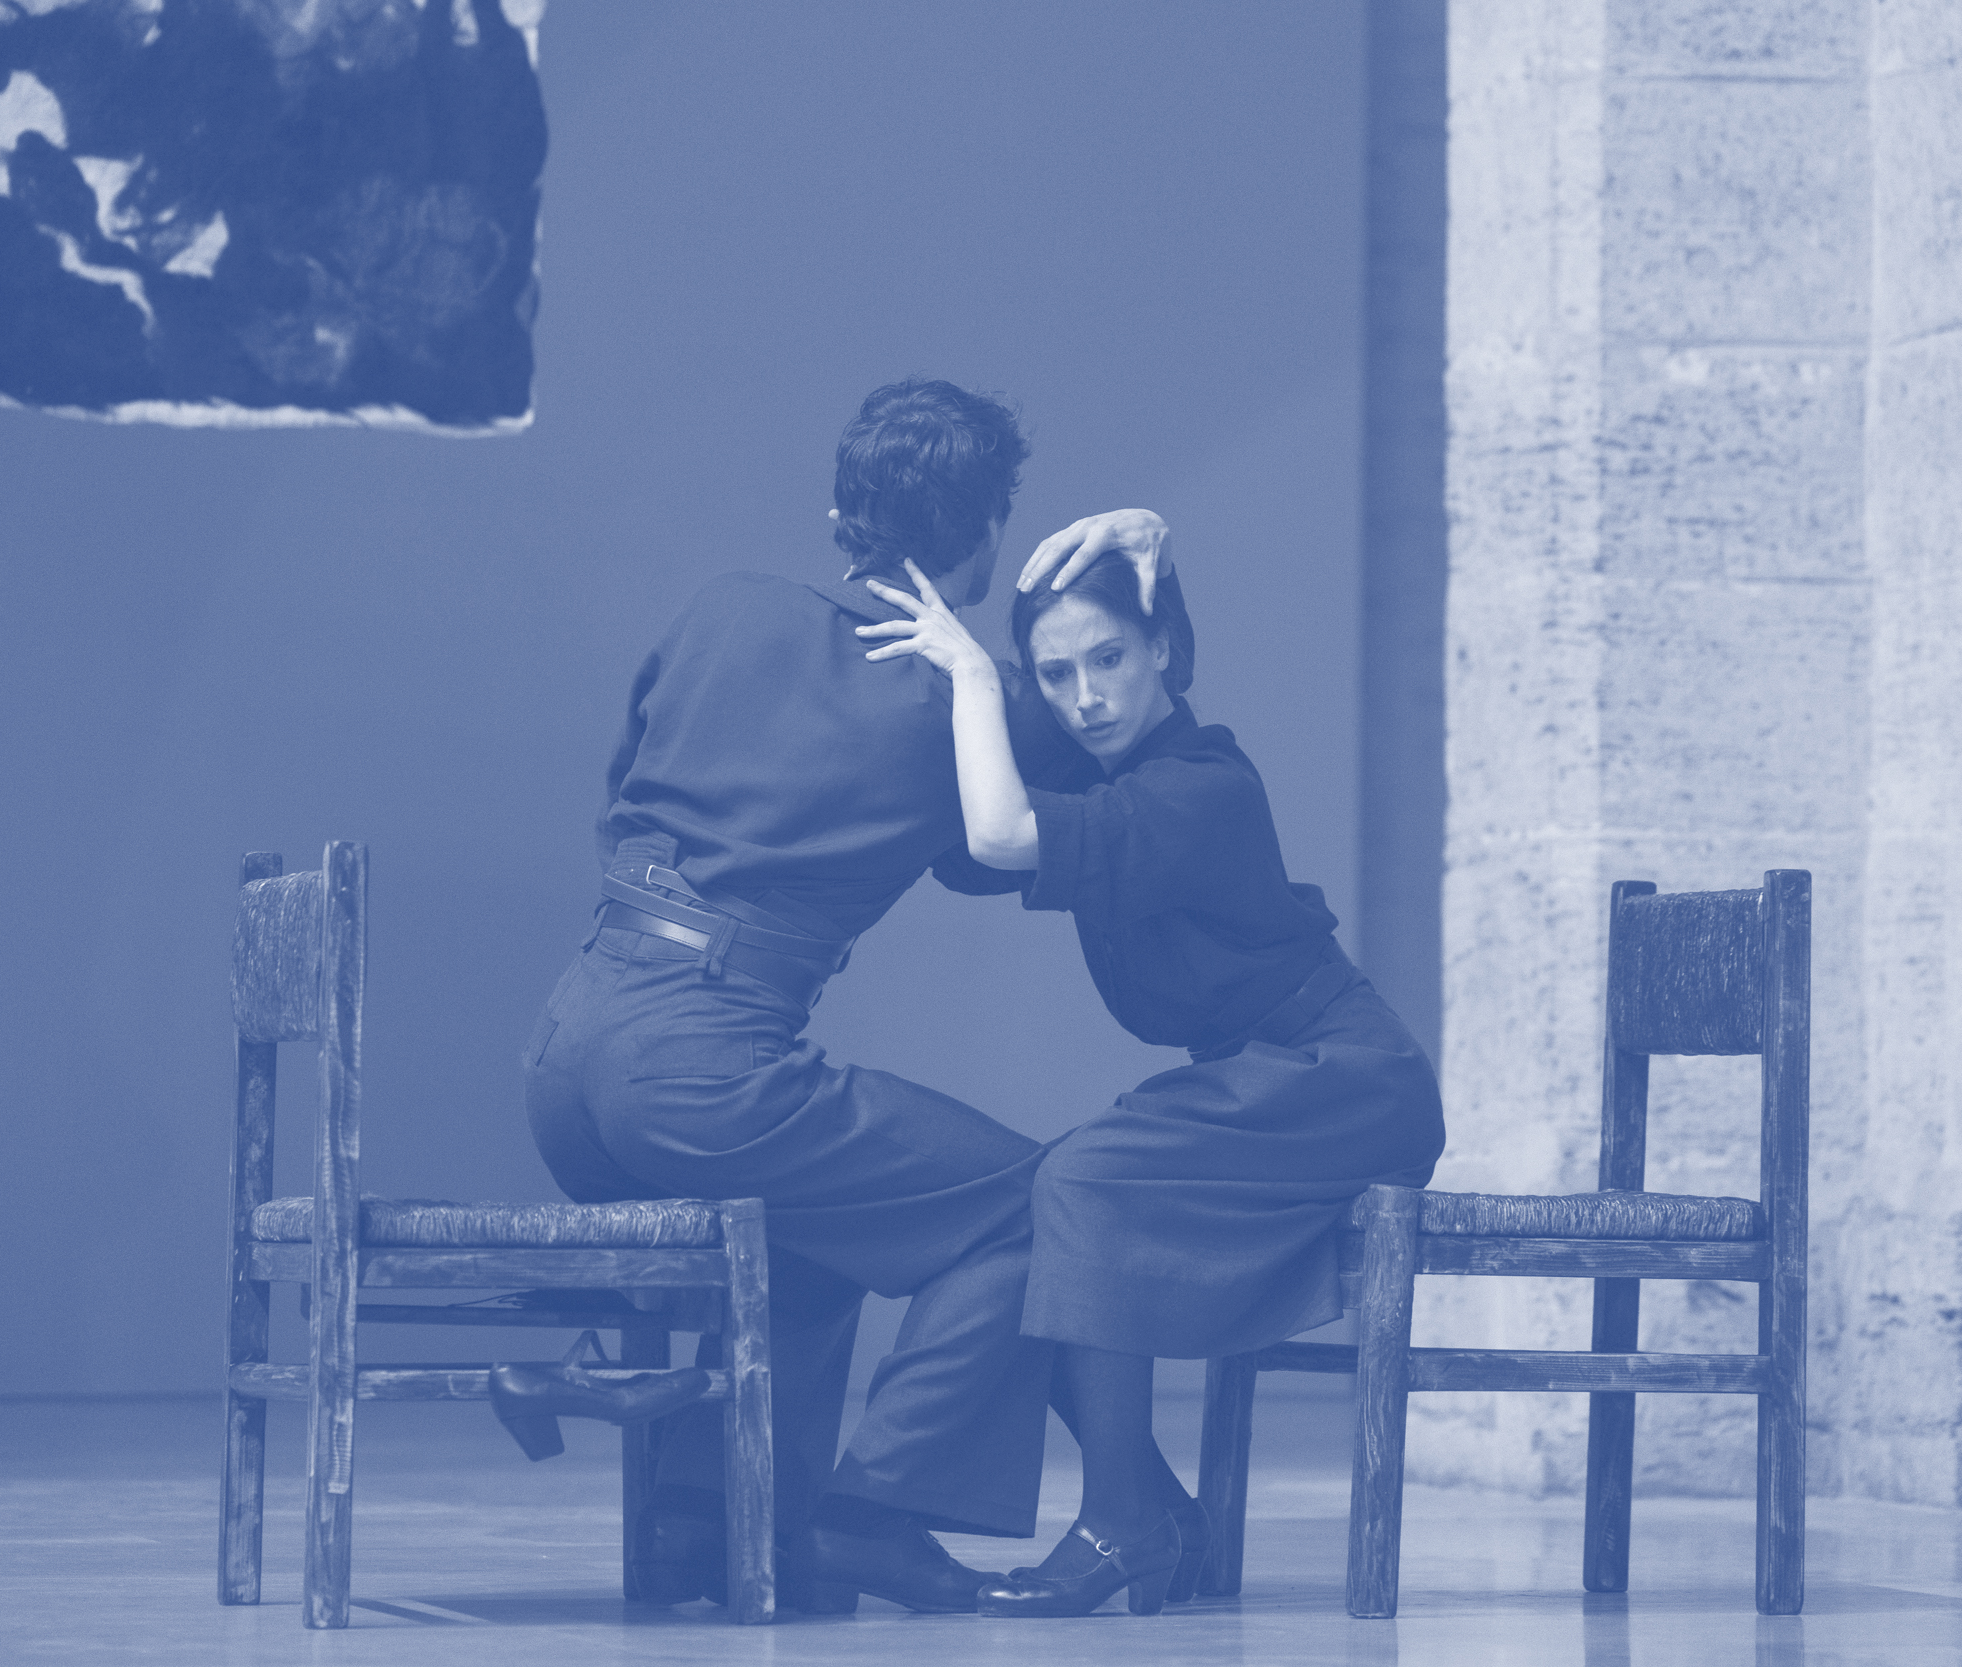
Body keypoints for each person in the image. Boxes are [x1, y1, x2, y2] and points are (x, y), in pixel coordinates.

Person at [518, 376, 1171, 1612]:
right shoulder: (965, 703)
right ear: (987, 534)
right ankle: (876, 1514)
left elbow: (630, 786)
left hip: (565, 1052)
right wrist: (1146, 561)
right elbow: (1124, 754)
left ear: (839, 514)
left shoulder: (724, 606)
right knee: (1038, 1203)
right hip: (701, 1071)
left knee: (812, 1231)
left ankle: (708, 1521)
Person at [856, 547, 1446, 1618]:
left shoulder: (1201, 787)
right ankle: (1153, 1509)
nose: (1087, 695)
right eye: (1056, 673)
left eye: (1111, 658)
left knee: (1082, 1180)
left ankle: (1118, 1518)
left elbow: (997, 832)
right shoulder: (1107, 778)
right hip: (1266, 1075)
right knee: (1050, 1209)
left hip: (1345, 1077)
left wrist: (979, 676)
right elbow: (958, 850)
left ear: (1164, 650)